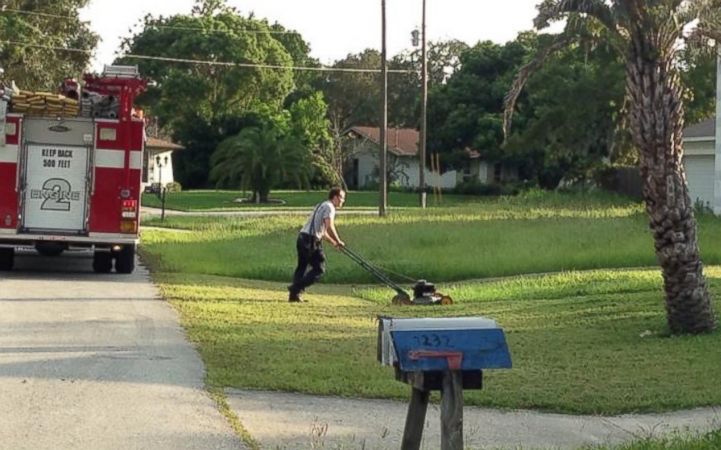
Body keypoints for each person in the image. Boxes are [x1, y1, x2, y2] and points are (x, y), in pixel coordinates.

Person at [288, 187, 346, 302]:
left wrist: (334, 243)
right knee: (319, 269)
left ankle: (294, 296)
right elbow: (329, 226)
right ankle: (295, 288)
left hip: (302, 237)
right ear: (335, 197)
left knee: (302, 267)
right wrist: (338, 240)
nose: (343, 201)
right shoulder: (330, 207)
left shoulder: (321, 205)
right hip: (311, 240)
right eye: (342, 198)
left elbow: (322, 231)